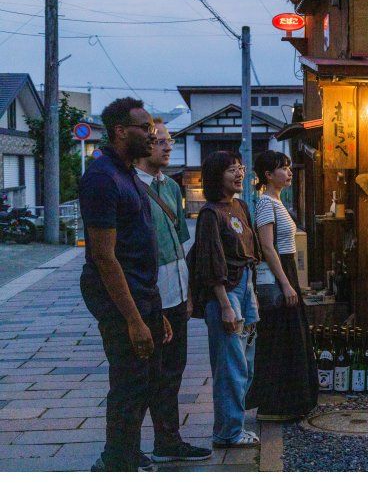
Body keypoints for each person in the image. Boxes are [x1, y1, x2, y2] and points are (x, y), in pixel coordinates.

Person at [79, 97, 170, 472]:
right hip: (119, 296)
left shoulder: (127, 173)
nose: (152, 136)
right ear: (120, 131)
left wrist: (156, 310)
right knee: (129, 381)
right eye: (144, 129)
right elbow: (104, 255)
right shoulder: (103, 176)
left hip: (142, 292)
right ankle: (116, 461)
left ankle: (126, 453)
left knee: (143, 381)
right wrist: (134, 319)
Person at [134, 119, 212, 463]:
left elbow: (181, 242)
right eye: (159, 142)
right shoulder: (131, 187)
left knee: (174, 370)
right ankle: (132, 446)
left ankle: (169, 439)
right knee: (148, 373)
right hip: (150, 293)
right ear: (142, 145)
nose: (168, 147)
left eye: (170, 141)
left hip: (177, 291)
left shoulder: (170, 187)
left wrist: (189, 291)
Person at [188, 151, 261, 448]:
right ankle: (228, 432)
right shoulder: (210, 213)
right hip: (225, 292)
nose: (239, 173)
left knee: (245, 362)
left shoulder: (240, 206)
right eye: (232, 169)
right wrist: (226, 306)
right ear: (218, 176)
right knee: (230, 365)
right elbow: (210, 262)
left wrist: (251, 293)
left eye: (240, 168)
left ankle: (234, 424)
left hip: (244, 285)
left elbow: (248, 250)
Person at [246, 150, 318, 421]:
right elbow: (267, 246)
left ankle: (290, 403)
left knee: (289, 337)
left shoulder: (276, 201)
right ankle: (276, 405)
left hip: (286, 271)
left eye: (289, 167)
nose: (288, 172)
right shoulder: (266, 203)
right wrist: (286, 284)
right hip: (280, 273)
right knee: (280, 338)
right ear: (267, 175)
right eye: (283, 168)